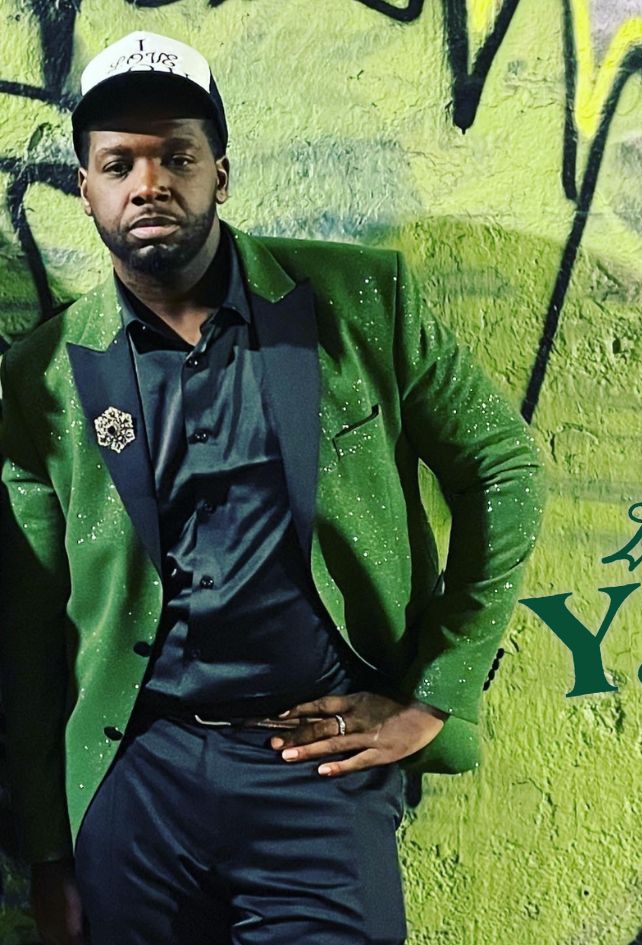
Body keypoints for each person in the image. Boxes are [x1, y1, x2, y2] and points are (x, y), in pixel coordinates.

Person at [0, 31, 543, 945]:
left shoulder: (358, 299)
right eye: (118, 163)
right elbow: (28, 625)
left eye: (177, 156)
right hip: (136, 775)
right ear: (86, 189)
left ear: (220, 173)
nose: (148, 183)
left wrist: (433, 695)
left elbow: (503, 468)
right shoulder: (44, 374)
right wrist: (51, 853)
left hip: (319, 769)